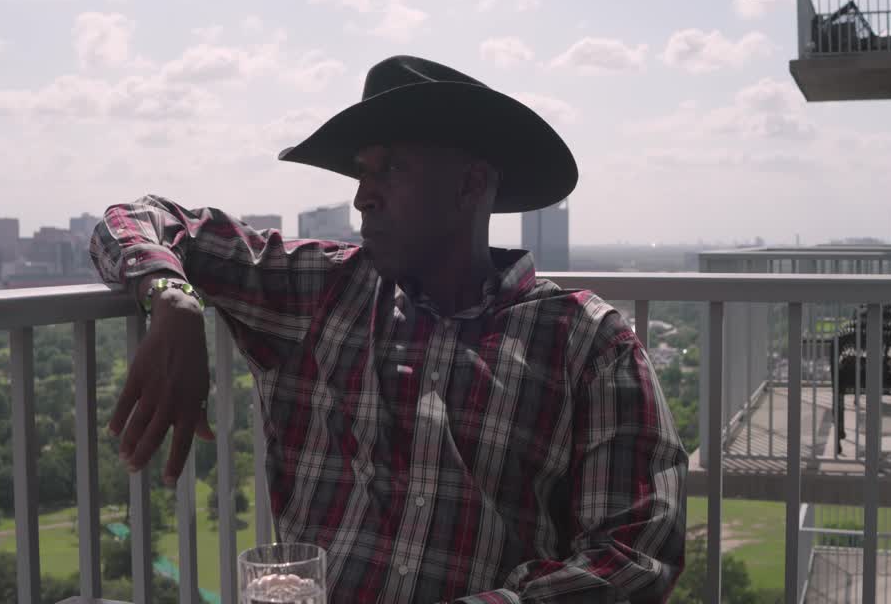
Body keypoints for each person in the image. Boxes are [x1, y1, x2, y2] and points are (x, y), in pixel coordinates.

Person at [92, 55, 687, 603]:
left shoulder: (586, 343)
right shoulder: (320, 289)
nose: (361, 197)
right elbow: (136, 218)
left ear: (471, 185)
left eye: (392, 169)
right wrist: (172, 298)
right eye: (362, 172)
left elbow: (637, 555)